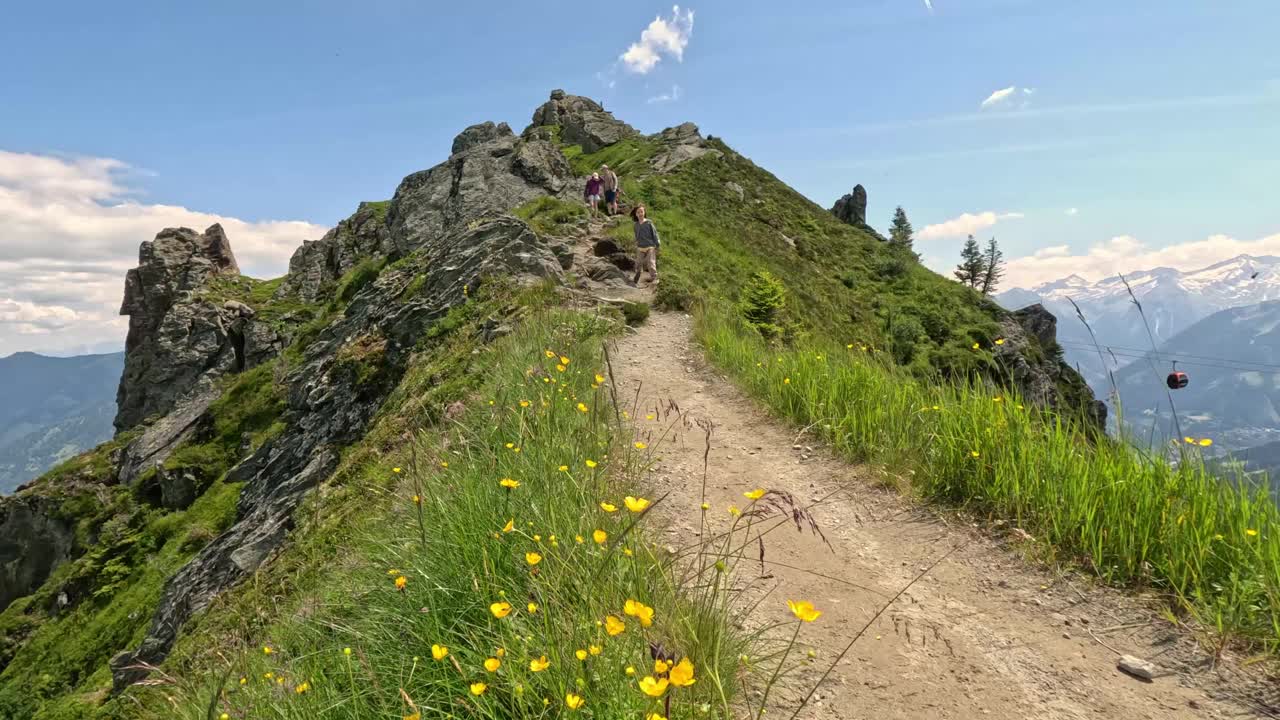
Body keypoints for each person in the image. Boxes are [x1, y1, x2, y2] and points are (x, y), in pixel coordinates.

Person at [631, 204, 660, 285]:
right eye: (638, 212)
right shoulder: (636, 225)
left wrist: (657, 244)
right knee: (638, 263)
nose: (640, 214)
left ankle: (654, 278)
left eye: (641, 212)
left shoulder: (648, 223)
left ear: (644, 212)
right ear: (636, 214)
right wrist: (636, 242)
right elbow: (636, 235)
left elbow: (655, 233)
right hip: (640, 247)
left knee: (650, 262)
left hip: (650, 246)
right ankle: (637, 277)